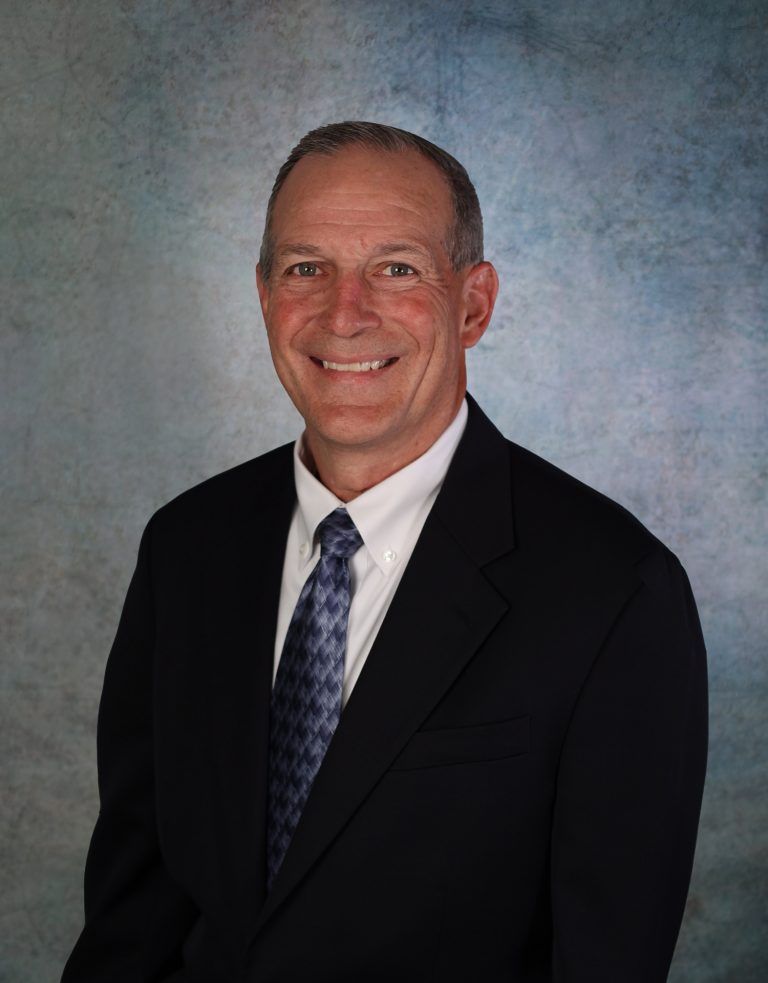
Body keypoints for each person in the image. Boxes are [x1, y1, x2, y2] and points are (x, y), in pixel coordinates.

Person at [62, 121, 708, 982]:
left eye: (396, 268)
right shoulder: (186, 548)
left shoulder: (615, 592)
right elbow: (130, 925)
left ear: (473, 304)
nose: (345, 313)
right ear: (264, 296)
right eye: (306, 269)